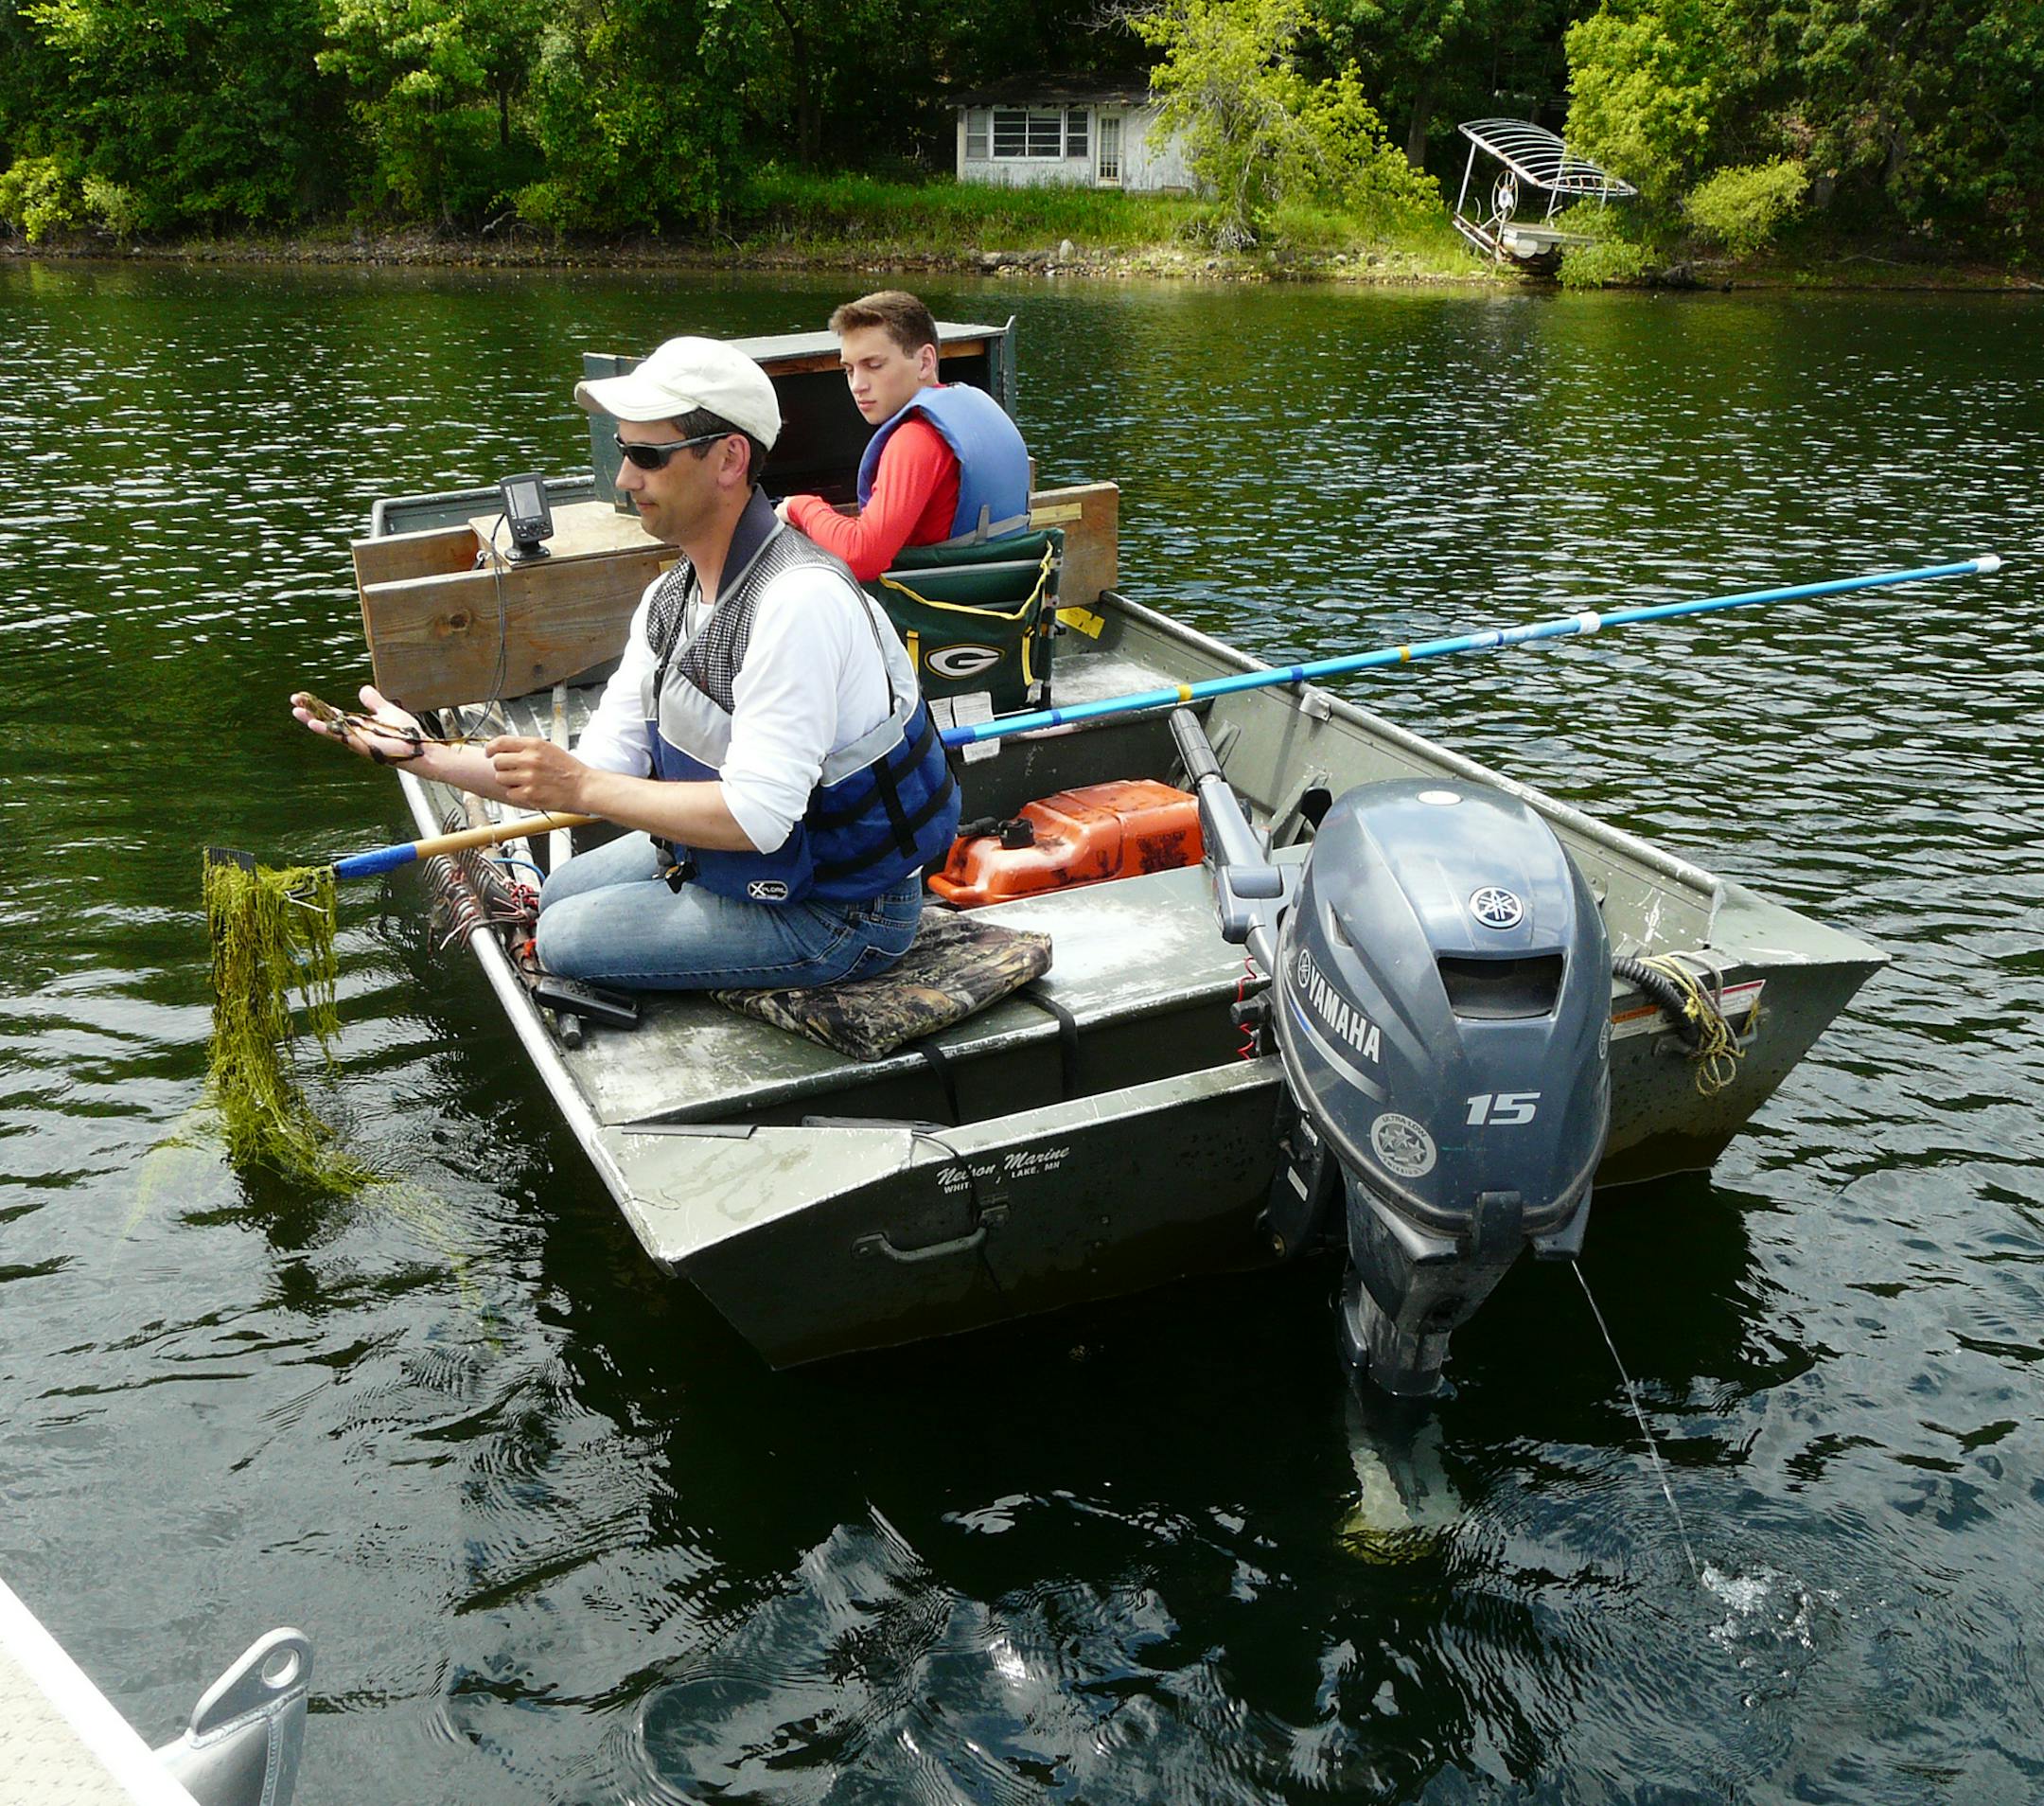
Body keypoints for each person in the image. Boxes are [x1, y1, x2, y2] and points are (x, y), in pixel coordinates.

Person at [291, 335, 960, 993]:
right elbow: (605, 766)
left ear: (729, 459)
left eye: (647, 454)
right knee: (559, 897)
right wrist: (420, 753)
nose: (623, 478)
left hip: (838, 909)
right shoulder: (670, 598)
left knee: (563, 937)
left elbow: (756, 817)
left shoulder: (796, 602)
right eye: (622, 450)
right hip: (763, 860)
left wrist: (578, 788)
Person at [776, 290, 1032, 583]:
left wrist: (801, 506)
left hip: (937, 617)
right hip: (1003, 609)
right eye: (848, 370)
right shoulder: (983, 408)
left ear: (925, 362)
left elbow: (861, 557)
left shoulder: (915, 440)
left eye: (874, 366)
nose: (857, 385)